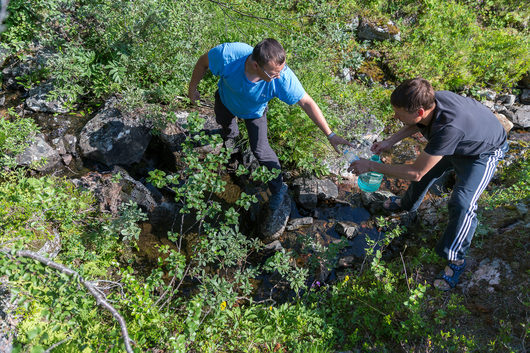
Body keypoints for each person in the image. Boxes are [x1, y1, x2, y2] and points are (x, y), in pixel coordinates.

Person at [348, 78, 508, 290]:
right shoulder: (433, 99)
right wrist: (390, 142)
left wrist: (370, 166)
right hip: (459, 140)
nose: (395, 116)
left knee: (462, 203)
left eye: (399, 112)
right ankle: (407, 205)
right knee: (428, 171)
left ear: (420, 111)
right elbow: (415, 124)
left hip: (483, 152)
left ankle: (456, 258)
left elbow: (415, 172)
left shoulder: (448, 128)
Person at [188, 38, 351, 210]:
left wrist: (330, 134)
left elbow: (307, 102)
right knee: (228, 130)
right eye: (273, 73)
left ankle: (278, 188)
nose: (279, 76)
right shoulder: (228, 56)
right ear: (256, 66)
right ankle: (233, 158)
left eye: (281, 70)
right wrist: (192, 90)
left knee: (261, 151)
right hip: (226, 100)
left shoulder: (282, 78)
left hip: (254, 113)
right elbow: (202, 62)